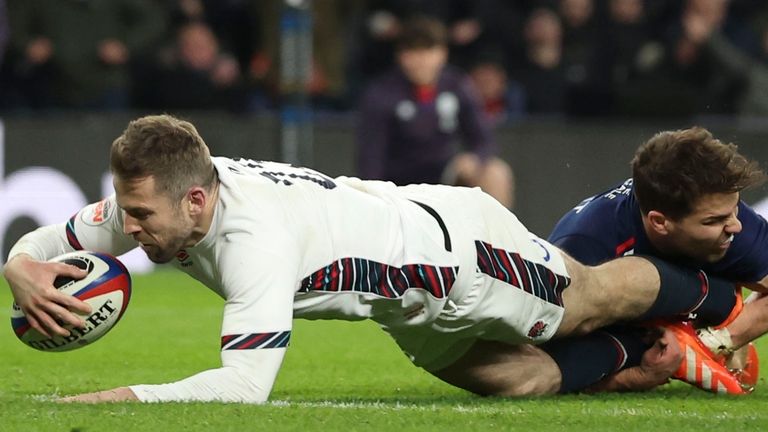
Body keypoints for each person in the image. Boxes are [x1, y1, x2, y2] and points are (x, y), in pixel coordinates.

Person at [3, 115, 745, 403]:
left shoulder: (253, 240)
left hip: (458, 254)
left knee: (584, 295)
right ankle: (654, 355)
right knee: (514, 383)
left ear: (196, 203)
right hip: (401, 298)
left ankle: (721, 303)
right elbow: (60, 239)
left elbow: (242, 387)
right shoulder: (174, 189)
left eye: (139, 217)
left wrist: (114, 401)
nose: (125, 230)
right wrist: (19, 264)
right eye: (124, 210)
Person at [447, 126, 768, 397]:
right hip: (610, 328)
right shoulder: (584, 248)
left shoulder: (732, 220)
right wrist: (636, 377)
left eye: (735, 210)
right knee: (558, 364)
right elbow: (544, 363)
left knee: (725, 298)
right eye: (714, 220)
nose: (735, 226)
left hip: (695, 301)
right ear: (660, 222)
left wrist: (720, 341)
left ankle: (694, 326)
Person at [357, 15, 514, 209]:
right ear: (400, 56)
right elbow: (371, 159)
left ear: (443, 53)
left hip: (446, 177)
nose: (421, 60)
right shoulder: (382, 94)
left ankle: (496, 238)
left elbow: (484, 139)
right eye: (413, 52)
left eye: (428, 50)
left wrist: (473, 158)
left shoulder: (456, 84)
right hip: (400, 187)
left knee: (495, 171)